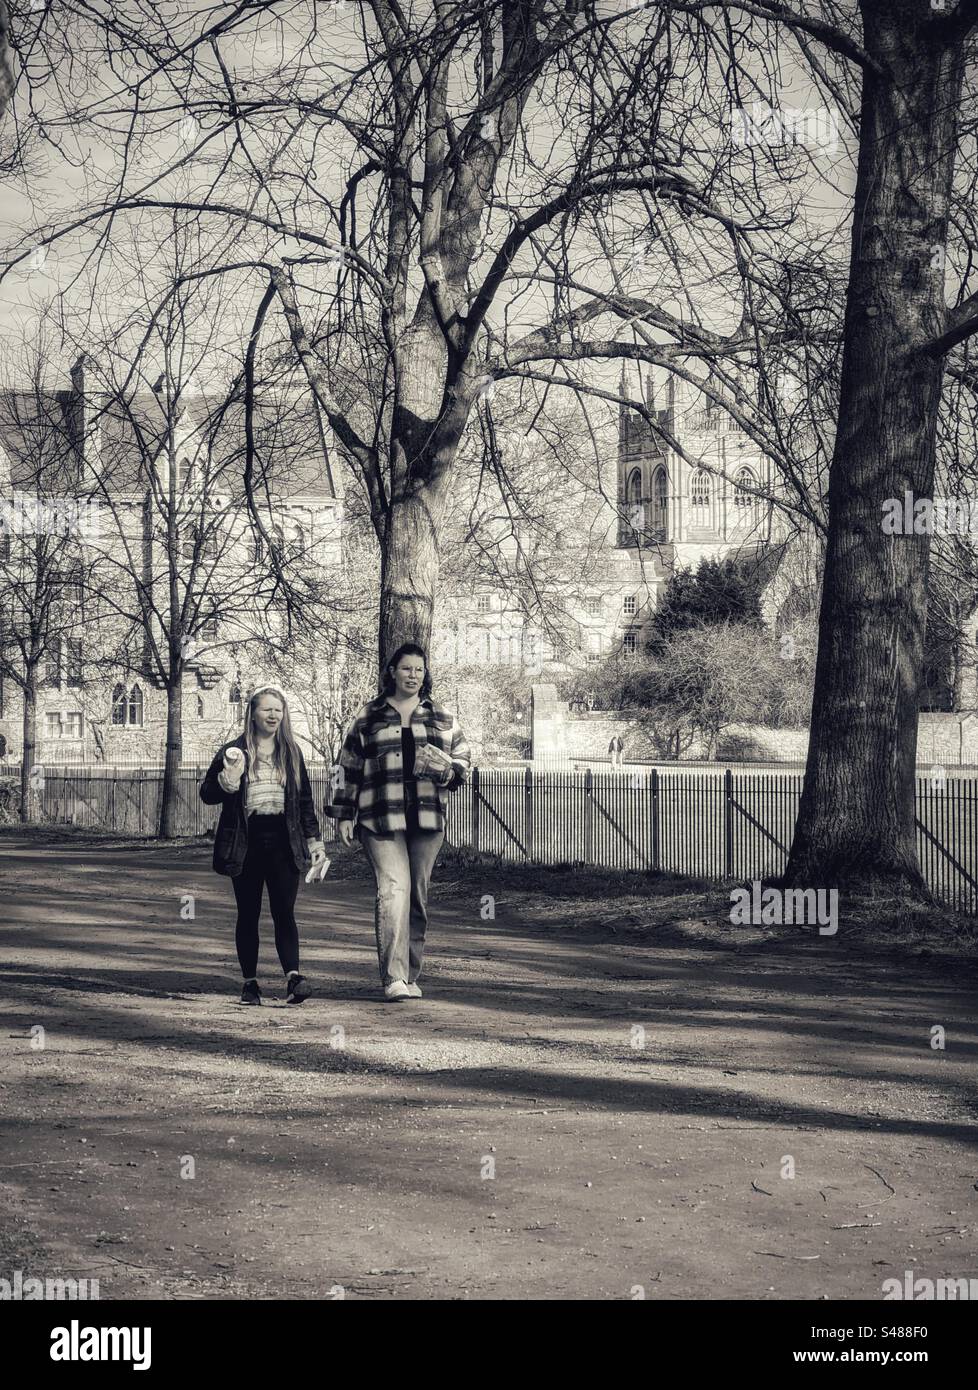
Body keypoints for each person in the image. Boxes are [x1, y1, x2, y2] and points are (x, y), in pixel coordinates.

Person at [327, 643, 470, 1002]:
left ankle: (410, 973)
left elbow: (464, 757)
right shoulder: (368, 717)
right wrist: (344, 814)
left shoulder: (442, 715)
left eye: (419, 670)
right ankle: (393, 977)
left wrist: (452, 771)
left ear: (425, 674)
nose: (413, 675)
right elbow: (345, 769)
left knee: (417, 896)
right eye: (406, 668)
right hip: (379, 816)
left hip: (427, 817)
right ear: (392, 672)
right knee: (393, 890)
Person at [200, 684, 328, 1006]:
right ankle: (250, 984)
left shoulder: (291, 751)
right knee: (248, 913)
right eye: (267, 709)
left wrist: (315, 841)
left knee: (285, 911)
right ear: (253, 714)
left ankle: (293, 979)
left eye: (278, 709)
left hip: (285, 840)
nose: (273, 715)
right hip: (246, 841)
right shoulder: (233, 752)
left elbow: (304, 802)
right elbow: (207, 795)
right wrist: (224, 782)